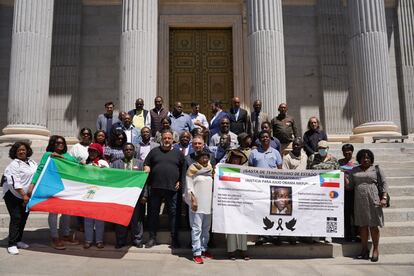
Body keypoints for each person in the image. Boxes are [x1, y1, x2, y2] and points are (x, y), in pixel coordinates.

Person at [29, 135, 79, 250]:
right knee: (53, 212)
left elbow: (77, 166)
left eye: (62, 142)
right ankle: (54, 237)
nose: (60, 144)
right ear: (53, 144)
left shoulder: (67, 155)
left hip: (65, 187)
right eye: (57, 143)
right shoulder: (48, 155)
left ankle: (66, 235)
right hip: (52, 186)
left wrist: (61, 158)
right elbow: (40, 169)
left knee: (66, 211)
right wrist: (32, 185)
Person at [144, 129, 186, 249]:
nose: (167, 140)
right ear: (161, 139)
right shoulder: (154, 152)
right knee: (153, 214)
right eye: (165, 138)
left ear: (172, 139)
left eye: (169, 138)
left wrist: (181, 182)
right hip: (155, 188)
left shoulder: (178, 153)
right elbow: (146, 163)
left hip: (172, 189)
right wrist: (146, 167)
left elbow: (183, 169)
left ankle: (174, 239)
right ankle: (152, 238)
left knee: (174, 214)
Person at [347, 149, 388, 262]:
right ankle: (364, 250)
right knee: (362, 226)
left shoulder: (376, 169)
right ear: (359, 159)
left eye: (368, 157)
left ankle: (375, 249)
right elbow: (350, 186)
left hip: (374, 199)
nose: (365, 159)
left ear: (371, 159)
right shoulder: (354, 170)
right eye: (363, 157)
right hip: (359, 201)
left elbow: (384, 183)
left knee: (373, 226)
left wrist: (384, 198)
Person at [111, 143, 148, 248]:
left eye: (130, 149)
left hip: (136, 198)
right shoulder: (116, 164)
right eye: (126, 150)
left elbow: (145, 181)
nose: (128, 151)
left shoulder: (140, 164)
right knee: (121, 219)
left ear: (134, 151)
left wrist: (144, 195)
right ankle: (120, 241)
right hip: (121, 197)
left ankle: (137, 240)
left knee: (137, 220)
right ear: (123, 151)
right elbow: (112, 179)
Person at [2, 142, 37, 255]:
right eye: (19, 150)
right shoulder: (14, 165)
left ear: (27, 150)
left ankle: (18, 240)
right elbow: (14, 182)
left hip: (27, 196)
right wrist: (23, 195)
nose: (22, 152)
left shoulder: (32, 162)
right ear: (15, 152)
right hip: (13, 195)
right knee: (16, 218)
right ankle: (11, 244)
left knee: (23, 218)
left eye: (23, 149)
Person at [249, 130, 283, 246]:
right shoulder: (253, 153)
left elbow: (280, 169)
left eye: (267, 137)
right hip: (259, 188)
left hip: (274, 187)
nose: (265, 139)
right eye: (262, 137)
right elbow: (250, 170)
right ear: (259, 140)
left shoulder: (276, 153)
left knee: (274, 211)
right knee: (261, 211)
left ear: (270, 139)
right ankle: (262, 235)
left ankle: (275, 236)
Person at [185, 150, 214, 264]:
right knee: (197, 229)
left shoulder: (211, 169)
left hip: (209, 204)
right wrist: (193, 199)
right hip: (197, 203)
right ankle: (196, 253)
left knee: (206, 229)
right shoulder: (193, 168)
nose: (205, 159)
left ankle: (204, 249)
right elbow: (189, 185)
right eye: (203, 157)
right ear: (198, 159)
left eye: (207, 157)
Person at [83, 143, 109, 249]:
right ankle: (88, 240)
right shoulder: (86, 163)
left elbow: (108, 175)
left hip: (100, 193)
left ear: (98, 152)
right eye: (90, 151)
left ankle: (99, 240)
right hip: (88, 193)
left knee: (99, 218)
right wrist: (81, 166)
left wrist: (99, 169)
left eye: (94, 151)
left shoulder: (103, 162)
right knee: (88, 218)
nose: (91, 153)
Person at [225, 149, 249, 260]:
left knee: (242, 226)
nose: (236, 161)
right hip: (229, 202)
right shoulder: (224, 170)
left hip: (242, 202)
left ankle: (243, 250)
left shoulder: (245, 172)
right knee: (231, 227)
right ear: (230, 160)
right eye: (234, 159)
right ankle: (231, 251)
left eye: (238, 159)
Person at [339, 144, 359, 242]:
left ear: (352, 151)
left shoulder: (357, 162)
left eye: (349, 150)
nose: (347, 152)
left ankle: (356, 233)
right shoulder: (339, 162)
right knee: (346, 213)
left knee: (355, 213)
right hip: (343, 192)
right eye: (345, 151)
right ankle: (347, 234)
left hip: (355, 191)